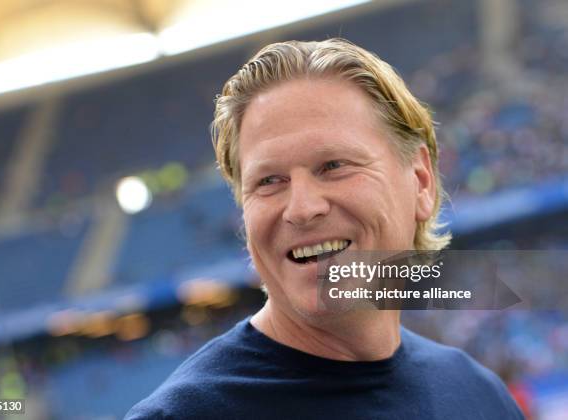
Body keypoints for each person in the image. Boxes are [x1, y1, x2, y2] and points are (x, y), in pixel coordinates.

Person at [125, 38, 524, 420]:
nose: (301, 208)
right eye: (269, 181)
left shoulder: (479, 395)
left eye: (333, 166)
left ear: (420, 181)